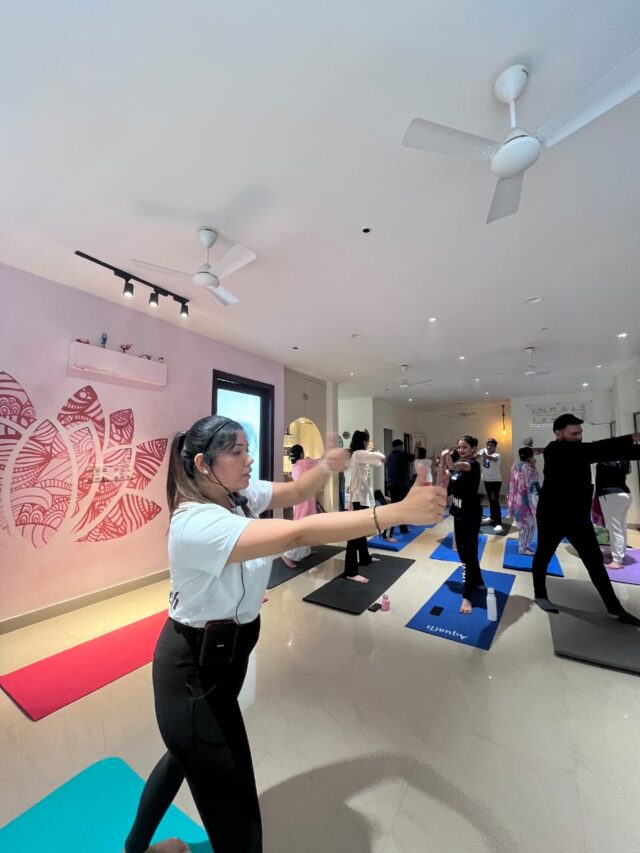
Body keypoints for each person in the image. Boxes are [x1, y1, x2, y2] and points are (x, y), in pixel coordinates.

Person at [123, 415, 446, 853]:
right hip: (192, 673)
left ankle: (134, 849)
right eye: (237, 452)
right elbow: (297, 531)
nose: (249, 459)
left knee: (182, 759)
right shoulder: (195, 523)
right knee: (238, 823)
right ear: (203, 463)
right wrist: (394, 513)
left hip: (226, 662)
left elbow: (295, 493)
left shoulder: (235, 495)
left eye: (247, 449)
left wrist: (327, 465)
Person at [531, 413, 640, 624]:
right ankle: (540, 594)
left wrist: (633, 446)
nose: (579, 436)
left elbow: (606, 452)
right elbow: (596, 449)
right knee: (544, 555)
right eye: (574, 433)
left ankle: (615, 608)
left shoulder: (579, 450)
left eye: (580, 433)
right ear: (558, 433)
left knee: (594, 561)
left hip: (578, 518)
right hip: (552, 516)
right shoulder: (554, 450)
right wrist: (631, 438)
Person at [446, 435, 483, 614]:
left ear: (473, 449)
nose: (461, 450)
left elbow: (458, 466)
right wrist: (444, 463)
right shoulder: (458, 468)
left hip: (470, 514)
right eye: (459, 447)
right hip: (458, 513)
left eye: (464, 447)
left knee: (467, 553)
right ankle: (478, 581)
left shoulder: (472, 465)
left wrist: (448, 459)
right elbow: (448, 475)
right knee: (464, 551)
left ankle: (467, 596)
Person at [344, 430, 386, 582]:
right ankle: (350, 571)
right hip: (358, 500)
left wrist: (373, 451)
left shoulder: (361, 456)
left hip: (363, 499)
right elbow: (380, 457)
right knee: (355, 535)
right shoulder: (358, 454)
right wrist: (375, 452)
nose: (369, 444)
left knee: (362, 531)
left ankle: (364, 558)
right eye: (367, 441)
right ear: (363, 442)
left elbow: (378, 462)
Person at [281, 444, 319, 568]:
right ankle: (288, 555)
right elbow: (318, 463)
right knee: (302, 528)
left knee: (307, 527)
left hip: (302, 500)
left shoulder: (296, 465)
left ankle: (305, 551)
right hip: (304, 502)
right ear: (301, 454)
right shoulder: (304, 463)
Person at [596, 460, 633, 570]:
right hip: (625, 494)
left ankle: (617, 560)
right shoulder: (624, 462)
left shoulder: (605, 462)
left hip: (610, 495)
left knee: (615, 528)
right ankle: (620, 553)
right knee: (622, 526)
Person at [507, 447, 540, 555]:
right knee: (529, 525)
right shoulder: (528, 468)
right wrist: (534, 465)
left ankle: (522, 545)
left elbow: (511, 481)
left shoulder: (515, 465)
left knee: (523, 524)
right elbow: (534, 484)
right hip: (526, 500)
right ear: (530, 456)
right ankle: (524, 548)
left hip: (517, 499)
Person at [386, 439, 418, 534]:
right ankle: (399, 530)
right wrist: (416, 447)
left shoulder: (390, 456)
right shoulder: (401, 454)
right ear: (399, 446)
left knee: (395, 506)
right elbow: (414, 457)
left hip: (392, 484)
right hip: (401, 485)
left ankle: (394, 529)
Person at [476, 438, 503, 531]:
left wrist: (484, 454)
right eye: (488, 445)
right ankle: (492, 517)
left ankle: (498, 522)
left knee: (494, 500)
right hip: (487, 480)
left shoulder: (497, 455)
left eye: (491, 445)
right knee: (490, 500)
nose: (489, 447)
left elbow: (492, 459)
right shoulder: (484, 451)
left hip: (495, 481)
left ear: (495, 447)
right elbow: (476, 457)